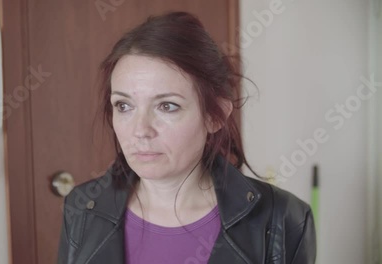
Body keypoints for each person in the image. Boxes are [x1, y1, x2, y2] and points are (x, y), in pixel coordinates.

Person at [57, 11, 316, 264]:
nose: (140, 130)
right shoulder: (81, 209)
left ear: (215, 116)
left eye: (167, 106)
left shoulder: (283, 219)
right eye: (124, 106)